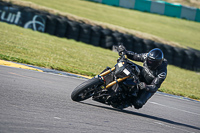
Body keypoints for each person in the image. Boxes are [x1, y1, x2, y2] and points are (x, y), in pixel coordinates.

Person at [117, 45, 168, 109]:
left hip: (147, 86)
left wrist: (146, 86)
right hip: (141, 73)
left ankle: (125, 100)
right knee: (123, 62)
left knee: (138, 103)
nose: (149, 62)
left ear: (158, 63)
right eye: (149, 60)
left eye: (152, 62)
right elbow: (135, 56)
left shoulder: (162, 72)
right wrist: (124, 51)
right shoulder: (147, 56)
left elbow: (154, 86)